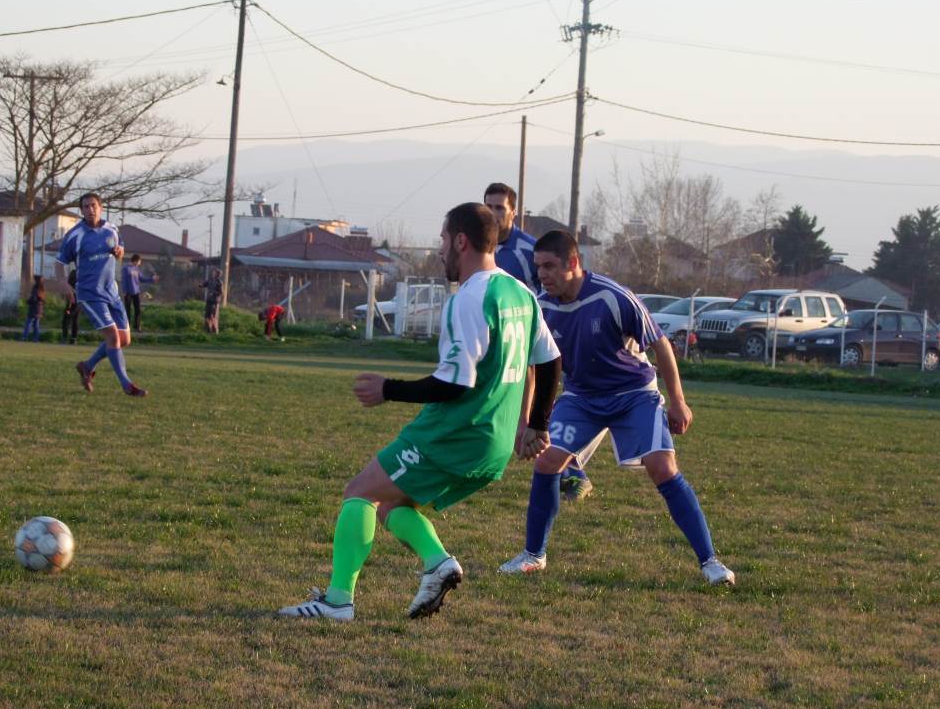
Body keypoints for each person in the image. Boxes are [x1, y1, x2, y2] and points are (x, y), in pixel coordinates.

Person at [278, 202, 562, 621]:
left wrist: (387, 389)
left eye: (444, 240)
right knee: (392, 504)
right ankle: (436, 563)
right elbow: (551, 359)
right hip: (496, 441)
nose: (441, 248)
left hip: (455, 431)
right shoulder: (519, 292)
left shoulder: (470, 298)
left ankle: (338, 601)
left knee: (360, 492)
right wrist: (535, 424)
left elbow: (455, 383)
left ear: (461, 241)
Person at [498, 230, 735, 587]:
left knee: (663, 467)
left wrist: (678, 401)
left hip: (633, 395)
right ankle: (533, 556)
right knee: (548, 463)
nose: (542, 274)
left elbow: (660, 345)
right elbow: (534, 368)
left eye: (549, 266)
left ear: (573, 263)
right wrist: (527, 423)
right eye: (538, 266)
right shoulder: (541, 306)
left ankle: (711, 562)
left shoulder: (613, 296)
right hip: (581, 398)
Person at [484, 181, 595, 504]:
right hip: (503, 339)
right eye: (488, 207)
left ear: (513, 212)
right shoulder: (486, 249)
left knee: (536, 406)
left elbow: (552, 290)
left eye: (499, 208)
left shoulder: (528, 250)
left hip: (537, 336)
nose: (493, 214)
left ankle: (572, 470)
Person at [55, 192, 147, 397]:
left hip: (111, 292)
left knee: (124, 340)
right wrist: (63, 283)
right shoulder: (75, 235)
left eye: (93, 205)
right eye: (86, 207)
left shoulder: (112, 229)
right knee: (113, 337)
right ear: (82, 211)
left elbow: (121, 249)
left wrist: (119, 252)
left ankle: (87, 366)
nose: (90, 209)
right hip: (89, 293)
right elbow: (60, 261)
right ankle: (127, 385)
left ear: (101, 207)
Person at [120, 254, 157, 332]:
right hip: (128, 292)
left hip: (136, 292)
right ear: (136, 260)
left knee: (138, 309)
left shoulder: (137, 269)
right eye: (140, 261)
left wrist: (152, 279)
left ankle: (137, 326)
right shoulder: (126, 268)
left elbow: (142, 279)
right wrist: (124, 291)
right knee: (127, 310)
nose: (140, 263)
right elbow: (124, 280)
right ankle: (127, 327)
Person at [22, 275, 45, 342]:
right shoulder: (42, 288)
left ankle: (25, 337)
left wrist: (28, 301)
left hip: (34, 308)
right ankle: (36, 338)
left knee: (28, 323)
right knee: (36, 325)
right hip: (40, 308)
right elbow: (42, 299)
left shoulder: (36, 287)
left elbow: (34, 298)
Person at [61, 268, 80, 345]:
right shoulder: (80, 282)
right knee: (75, 321)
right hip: (79, 303)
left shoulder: (71, 284)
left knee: (66, 320)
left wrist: (68, 308)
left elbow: (69, 296)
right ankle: (73, 339)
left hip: (71, 303)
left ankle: (64, 338)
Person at [201, 268, 223, 333]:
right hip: (209, 300)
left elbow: (221, 293)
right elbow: (205, 284)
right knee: (207, 316)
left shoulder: (219, 282)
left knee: (213, 316)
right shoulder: (210, 280)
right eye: (213, 272)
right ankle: (208, 330)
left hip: (215, 302)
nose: (213, 273)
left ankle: (215, 330)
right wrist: (201, 285)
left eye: (214, 272)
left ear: (217, 274)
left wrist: (214, 293)